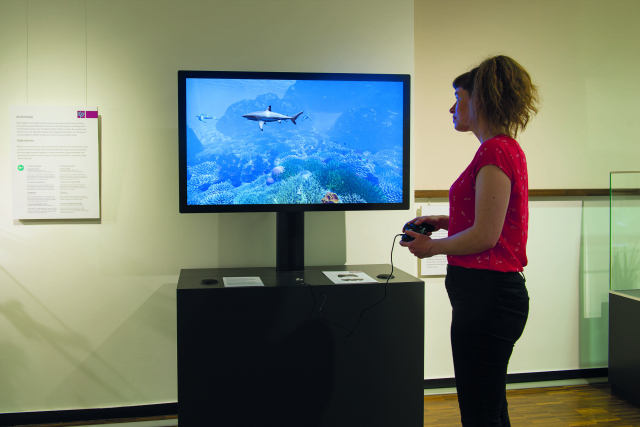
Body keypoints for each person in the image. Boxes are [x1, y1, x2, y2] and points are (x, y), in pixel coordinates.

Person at [400, 55, 539, 426]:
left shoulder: (494, 150)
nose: (452, 107)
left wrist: (430, 247)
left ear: (480, 99)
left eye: (458, 97)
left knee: (480, 410)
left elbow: (485, 236)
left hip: (487, 297)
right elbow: (492, 220)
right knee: (488, 404)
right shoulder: (503, 149)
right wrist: (444, 221)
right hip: (490, 296)